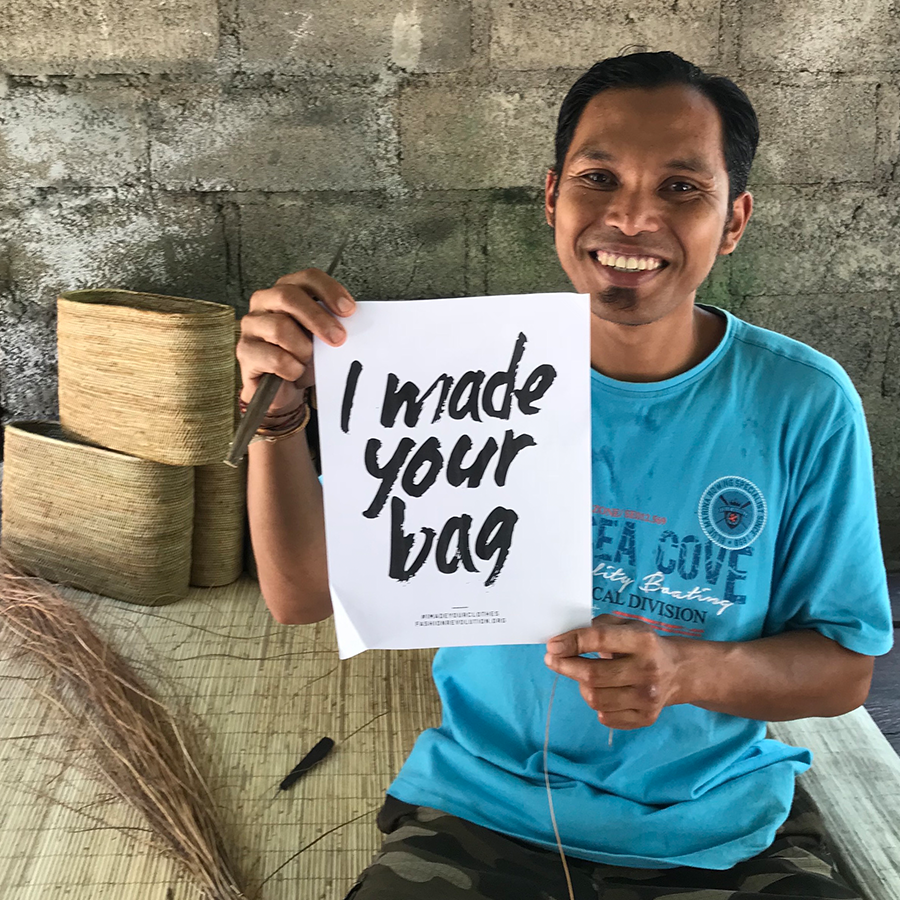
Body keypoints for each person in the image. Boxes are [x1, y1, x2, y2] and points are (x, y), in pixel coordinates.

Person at [236, 52, 894, 900]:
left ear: (734, 219)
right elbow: (300, 596)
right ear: (552, 198)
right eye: (599, 178)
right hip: (481, 818)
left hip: (719, 830)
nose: (632, 217)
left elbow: (844, 670)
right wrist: (278, 413)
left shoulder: (800, 402)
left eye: (681, 188)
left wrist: (684, 673)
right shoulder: (452, 376)